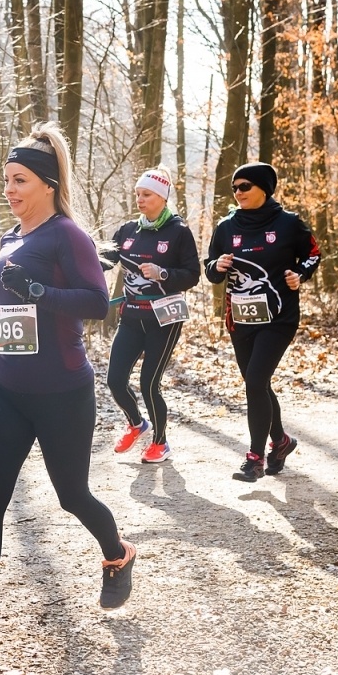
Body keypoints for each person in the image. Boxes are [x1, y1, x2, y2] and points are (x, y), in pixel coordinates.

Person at [0, 124, 138, 644]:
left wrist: (41, 289)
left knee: (72, 496)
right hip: (9, 387)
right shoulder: (10, 238)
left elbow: (95, 303)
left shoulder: (67, 235)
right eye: (5, 181)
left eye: (19, 180)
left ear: (46, 183)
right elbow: (15, 310)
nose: (10, 190)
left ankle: (118, 553)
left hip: (62, 390)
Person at [203, 161, 321, 482]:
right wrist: (219, 265)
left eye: (245, 186)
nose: (238, 192)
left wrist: (301, 274)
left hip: (279, 316)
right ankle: (281, 442)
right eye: (235, 188)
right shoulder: (226, 227)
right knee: (258, 384)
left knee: (255, 380)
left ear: (264, 188)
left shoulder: (288, 224)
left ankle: (255, 459)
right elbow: (209, 269)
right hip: (239, 319)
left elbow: (313, 254)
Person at [99, 167, 201, 463]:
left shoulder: (179, 232)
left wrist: (163, 273)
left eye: (146, 195)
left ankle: (160, 442)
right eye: (138, 194)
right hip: (132, 315)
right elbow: (104, 261)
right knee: (115, 379)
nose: (140, 200)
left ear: (162, 197)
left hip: (165, 318)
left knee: (149, 383)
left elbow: (192, 275)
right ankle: (136, 424)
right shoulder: (128, 231)